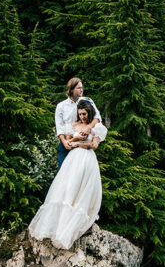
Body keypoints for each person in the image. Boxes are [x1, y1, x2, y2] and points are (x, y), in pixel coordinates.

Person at [29, 98, 107, 249]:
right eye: (80, 114)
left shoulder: (97, 127)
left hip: (88, 161)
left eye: (84, 114)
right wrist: (76, 139)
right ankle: (57, 226)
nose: (82, 117)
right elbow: (68, 143)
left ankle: (72, 228)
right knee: (67, 189)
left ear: (89, 112)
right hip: (73, 160)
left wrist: (78, 143)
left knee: (82, 191)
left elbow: (94, 145)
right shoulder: (75, 125)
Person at [55, 77, 101, 169]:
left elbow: (98, 117)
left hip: (82, 144)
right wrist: (64, 142)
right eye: (79, 88)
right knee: (63, 173)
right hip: (67, 143)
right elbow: (59, 127)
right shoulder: (61, 106)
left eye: (82, 87)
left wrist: (88, 128)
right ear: (71, 90)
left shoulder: (87, 101)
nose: (81, 90)